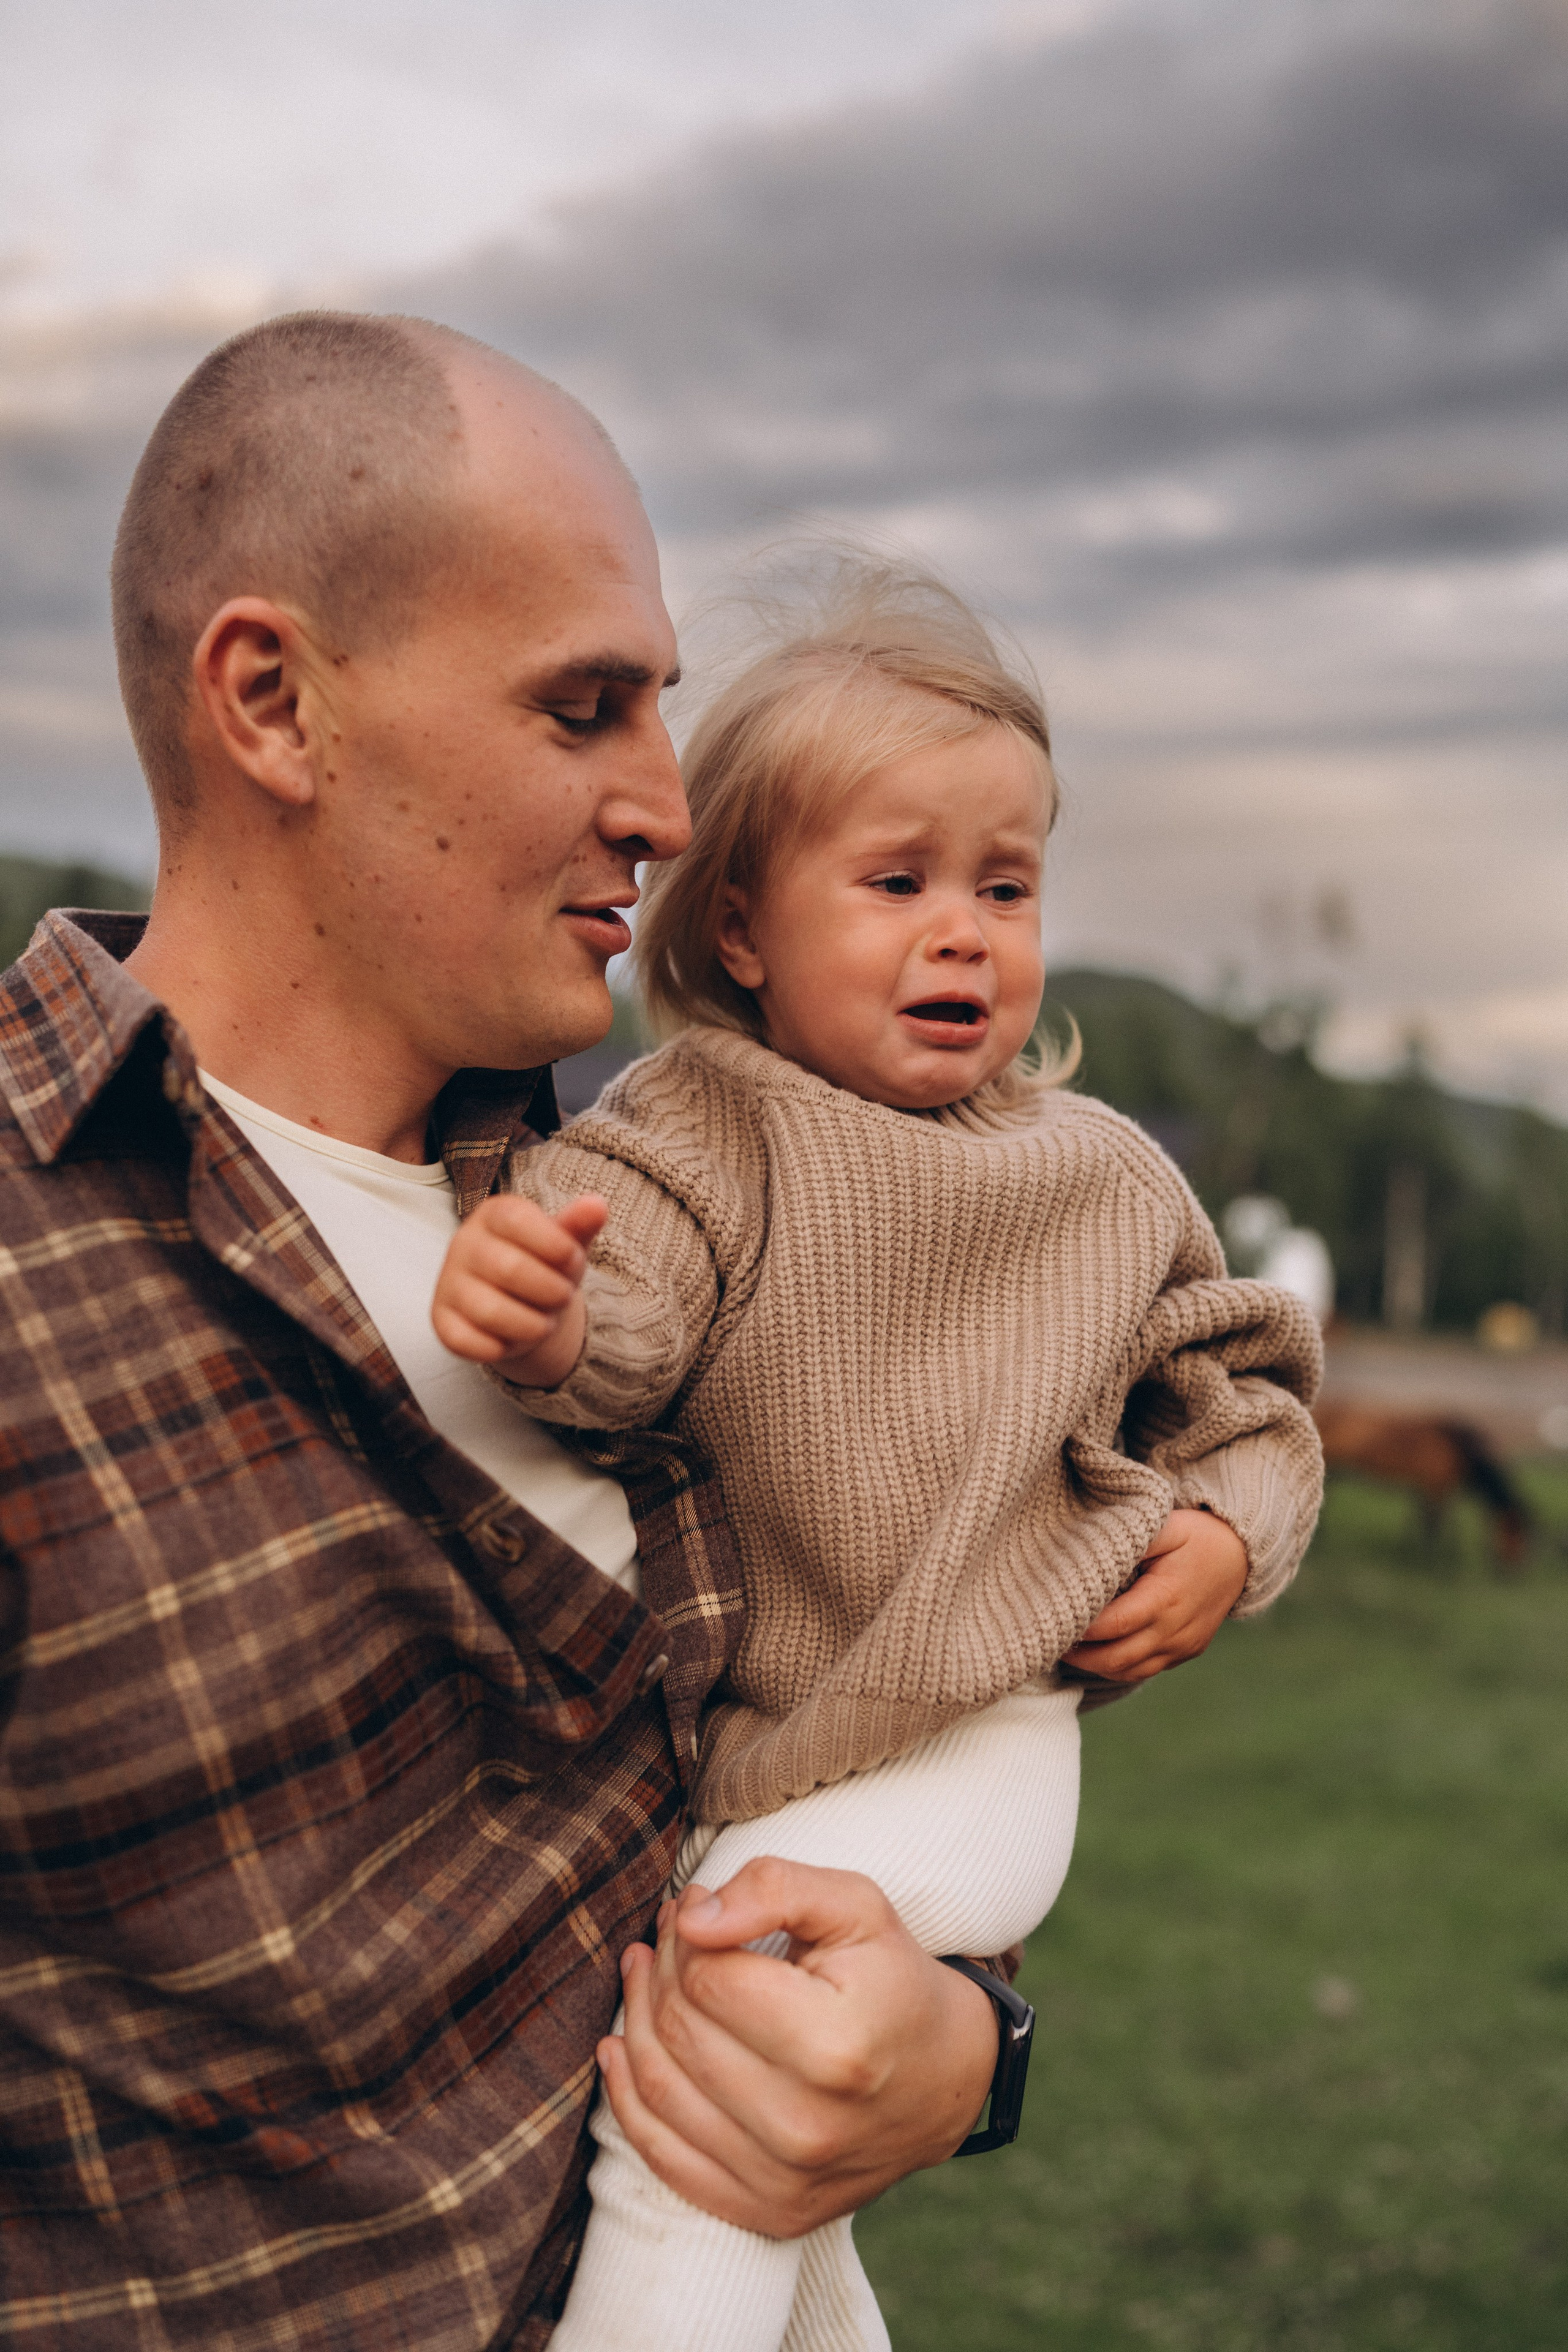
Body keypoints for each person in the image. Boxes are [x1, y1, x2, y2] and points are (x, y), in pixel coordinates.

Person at [0, 318, 1008, 2350]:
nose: (665, 798)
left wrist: (969, 2049)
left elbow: (794, 1804)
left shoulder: (649, 1215)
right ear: (276, 703)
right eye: (585, 706)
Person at [432, 560, 1327, 2351]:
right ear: (745, 927)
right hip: (779, 1755)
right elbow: (636, 1314)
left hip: (989, 1732)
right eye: (899, 881)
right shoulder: (702, 1123)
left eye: (1006, 886)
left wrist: (1230, 1540)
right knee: (785, 2159)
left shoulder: (1099, 1175)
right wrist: (546, 1318)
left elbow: (1247, 1396)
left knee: (704, 2074)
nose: (965, 932)